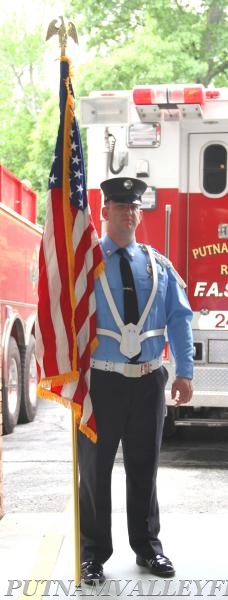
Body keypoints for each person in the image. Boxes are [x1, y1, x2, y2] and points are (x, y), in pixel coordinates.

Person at [79, 177, 194, 585]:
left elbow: (180, 318)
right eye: (120, 205)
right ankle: (91, 554)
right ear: (104, 211)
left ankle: (147, 547)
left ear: (139, 214)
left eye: (135, 206)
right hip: (101, 384)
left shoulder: (158, 264)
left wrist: (184, 371)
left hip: (148, 383)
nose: (128, 212)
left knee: (145, 467)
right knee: (94, 470)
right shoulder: (86, 263)